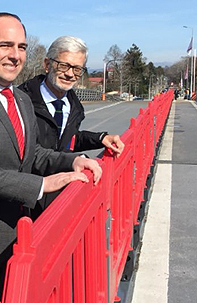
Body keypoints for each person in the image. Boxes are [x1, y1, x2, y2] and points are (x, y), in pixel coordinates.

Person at [0, 13, 102, 299]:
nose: (15, 55)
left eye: (21, 47)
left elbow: (33, 154)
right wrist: (41, 186)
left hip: (23, 237)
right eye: (6, 45)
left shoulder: (19, 98)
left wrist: (72, 161)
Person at [17, 35, 124, 218]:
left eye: (77, 69)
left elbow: (67, 140)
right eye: (63, 65)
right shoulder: (21, 100)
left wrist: (100, 138)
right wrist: (72, 160)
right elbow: (30, 152)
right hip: (28, 197)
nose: (69, 74)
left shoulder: (74, 106)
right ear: (47, 64)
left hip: (60, 196)